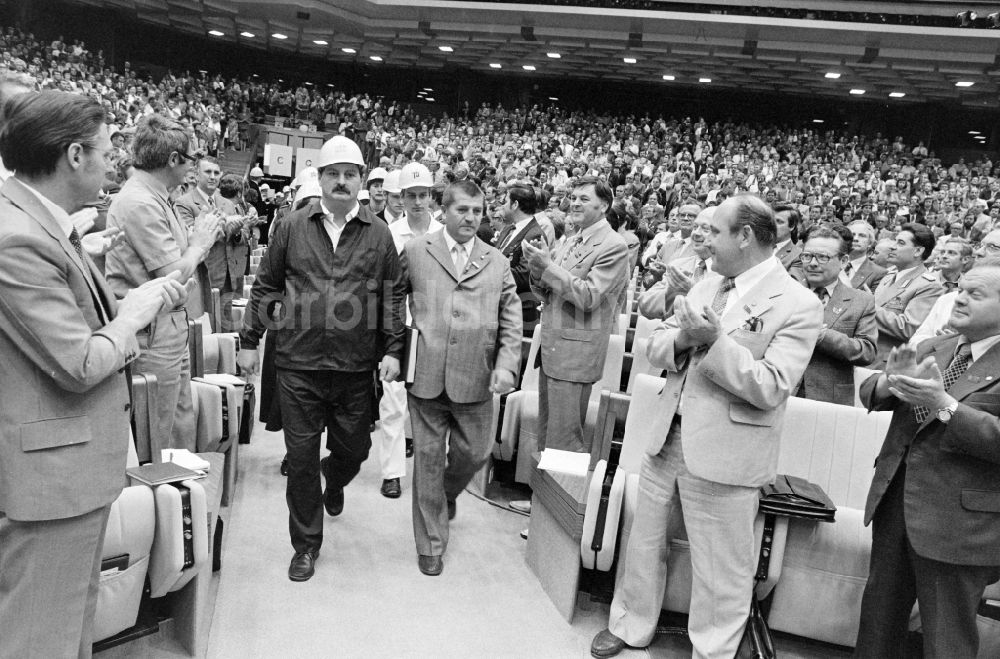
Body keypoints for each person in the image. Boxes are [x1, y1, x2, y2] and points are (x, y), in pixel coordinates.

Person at [591, 194, 822, 659]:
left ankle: (712, 651)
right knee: (645, 543)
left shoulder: (798, 304)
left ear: (745, 236)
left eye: (715, 231)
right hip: (666, 438)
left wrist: (715, 342)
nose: (705, 240)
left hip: (728, 453)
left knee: (721, 569)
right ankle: (630, 623)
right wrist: (679, 337)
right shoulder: (707, 282)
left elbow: (771, 386)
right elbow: (652, 341)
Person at [0, 91, 186, 659]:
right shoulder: (18, 238)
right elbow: (80, 363)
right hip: (51, 483)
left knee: (69, 629)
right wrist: (132, 315)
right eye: (107, 151)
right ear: (75, 155)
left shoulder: (40, 223)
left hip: (70, 475)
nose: (115, 163)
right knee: (42, 638)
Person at [237, 136, 405, 582]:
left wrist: (392, 349)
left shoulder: (380, 234)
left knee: (356, 449)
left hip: (353, 366)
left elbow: (392, 295)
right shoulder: (292, 227)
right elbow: (267, 286)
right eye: (334, 174)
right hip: (298, 363)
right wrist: (249, 338)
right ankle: (306, 545)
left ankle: (338, 473)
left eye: (351, 174)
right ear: (322, 178)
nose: (342, 182)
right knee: (301, 457)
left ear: (361, 180)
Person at [855, 257, 1000, 659]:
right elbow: (870, 391)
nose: (961, 299)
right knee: (877, 626)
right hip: (895, 504)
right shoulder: (934, 345)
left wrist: (943, 404)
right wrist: (888, 382)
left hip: (960, 524)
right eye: (961, 290)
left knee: (945, 640)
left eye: (976, 294)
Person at [402, 179, 522, 576]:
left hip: (477, 377)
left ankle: (447, 493)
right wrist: (393, 351)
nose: (471, 218)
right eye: (462, 210)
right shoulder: (417, 251)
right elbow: (388, 301)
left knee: (475, 453)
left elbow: (511, 317)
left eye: (477, 211)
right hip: (426, 375)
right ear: (445, 211)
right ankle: (431, 544)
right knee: (428, 458)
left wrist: (506, 364)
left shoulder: (497, 260)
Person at [105, 114, 223, 456]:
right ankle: (170, 502)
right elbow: (174, 273)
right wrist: (200, 244)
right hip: (153, 334)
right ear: (173, 160)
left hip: (170, 327)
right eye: (192, 160)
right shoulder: (140, 201)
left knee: (180, 420)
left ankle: (183, 501)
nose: (193, 167)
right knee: (159, 433)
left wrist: (192, 245)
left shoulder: (158, 195)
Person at [522, 175, 629, 454]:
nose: (575, 204)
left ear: (604, 205)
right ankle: (541, 497)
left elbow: (589, 296)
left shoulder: (613, 246)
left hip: (575, 355)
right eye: (574, 197)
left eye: (585, 199)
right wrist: (537, 270)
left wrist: (547, 267)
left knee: (565, 440)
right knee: (548, 432)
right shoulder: (571, 240)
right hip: (554, 348)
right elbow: (550, 292)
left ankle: (558, 497)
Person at [377, 161, 443, 499]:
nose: (418, 202)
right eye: (411, 195)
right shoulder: (388, 234)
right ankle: (391, 473)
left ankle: (430, 476)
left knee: (431, 404)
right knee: (392, 402)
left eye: (423, 195)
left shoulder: (445, 233)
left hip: (435, 328)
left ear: (431, 196)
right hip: (398, 327)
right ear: (401, 197)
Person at [795, 224, 878, 405]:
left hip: (827, 399)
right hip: (780, 391)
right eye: (807, 256)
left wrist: (823, 336)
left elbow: (867, 352)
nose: (813, 263)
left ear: (843, 261)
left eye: (823, 257)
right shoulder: (786, 292)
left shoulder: (861, 301)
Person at [174, 156, 250, 331]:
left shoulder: (227, 204)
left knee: (228, 328)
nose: (212, 176)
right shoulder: (184, 204)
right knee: (207, 329)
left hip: (229, 275)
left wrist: (237, 232)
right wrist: (225, 224)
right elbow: (191, 238)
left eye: (216, 172)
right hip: (205, 274)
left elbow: (236, 238)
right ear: (197, 174)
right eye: (208, 172)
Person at [872, 223, 945, 365]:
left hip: (887, 362)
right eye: (894, 241)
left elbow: (909, 328)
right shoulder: (889, 275)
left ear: (918, 251)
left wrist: (867, 305)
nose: (892, 246)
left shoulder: (928, 285)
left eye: (900, 243)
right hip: (867, 352)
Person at [637, 206, 717, 320]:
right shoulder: (677, 265)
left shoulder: (726, 271)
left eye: (705, 229)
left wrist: (691, 291)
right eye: (695, 227)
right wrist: (674, 292)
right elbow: (645, 303)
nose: (696, 233)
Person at [495, 182, 545, 334]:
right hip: (499, 308)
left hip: (519, 314)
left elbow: (524, 276)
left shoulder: (535, 234)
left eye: (505, 201)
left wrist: (488, 271)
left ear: (515, 204)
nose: (502, 205)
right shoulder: (509, 228)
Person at [844, 220, 887, 291]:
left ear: (870, 242)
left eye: (862, 236)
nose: (855, 239)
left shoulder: (879, 273)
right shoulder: (832, 264)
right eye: (852, 235)